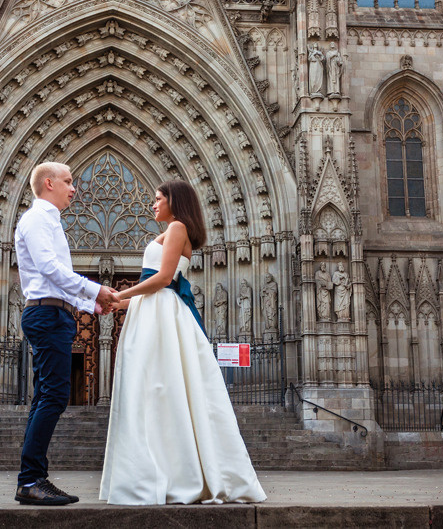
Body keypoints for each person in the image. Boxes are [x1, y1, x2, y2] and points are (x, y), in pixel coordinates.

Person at [100, 180, 266, 505]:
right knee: (156, 392)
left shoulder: (177, 227)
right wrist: (114, 302)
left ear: (174, 201)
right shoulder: (172, 229)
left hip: (161, 311)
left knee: (164, 388)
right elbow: (154, 284)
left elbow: (163, 280)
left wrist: (120, 294)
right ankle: (163, 471)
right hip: (152, 309)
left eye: (158, 199)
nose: (153, 204)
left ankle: (176, 474)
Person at [14, 162, 118, 506]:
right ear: (48, 183)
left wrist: (92, 305)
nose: (74, 188)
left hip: (54, 311)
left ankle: (34, 479)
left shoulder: (49, 221)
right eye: (69, 181)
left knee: (45, 396)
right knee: (55, 396)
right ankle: (30, 479)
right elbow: (48, 269)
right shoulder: (37, 219)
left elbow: (55, 278)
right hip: (45, 314)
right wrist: (93, 289)